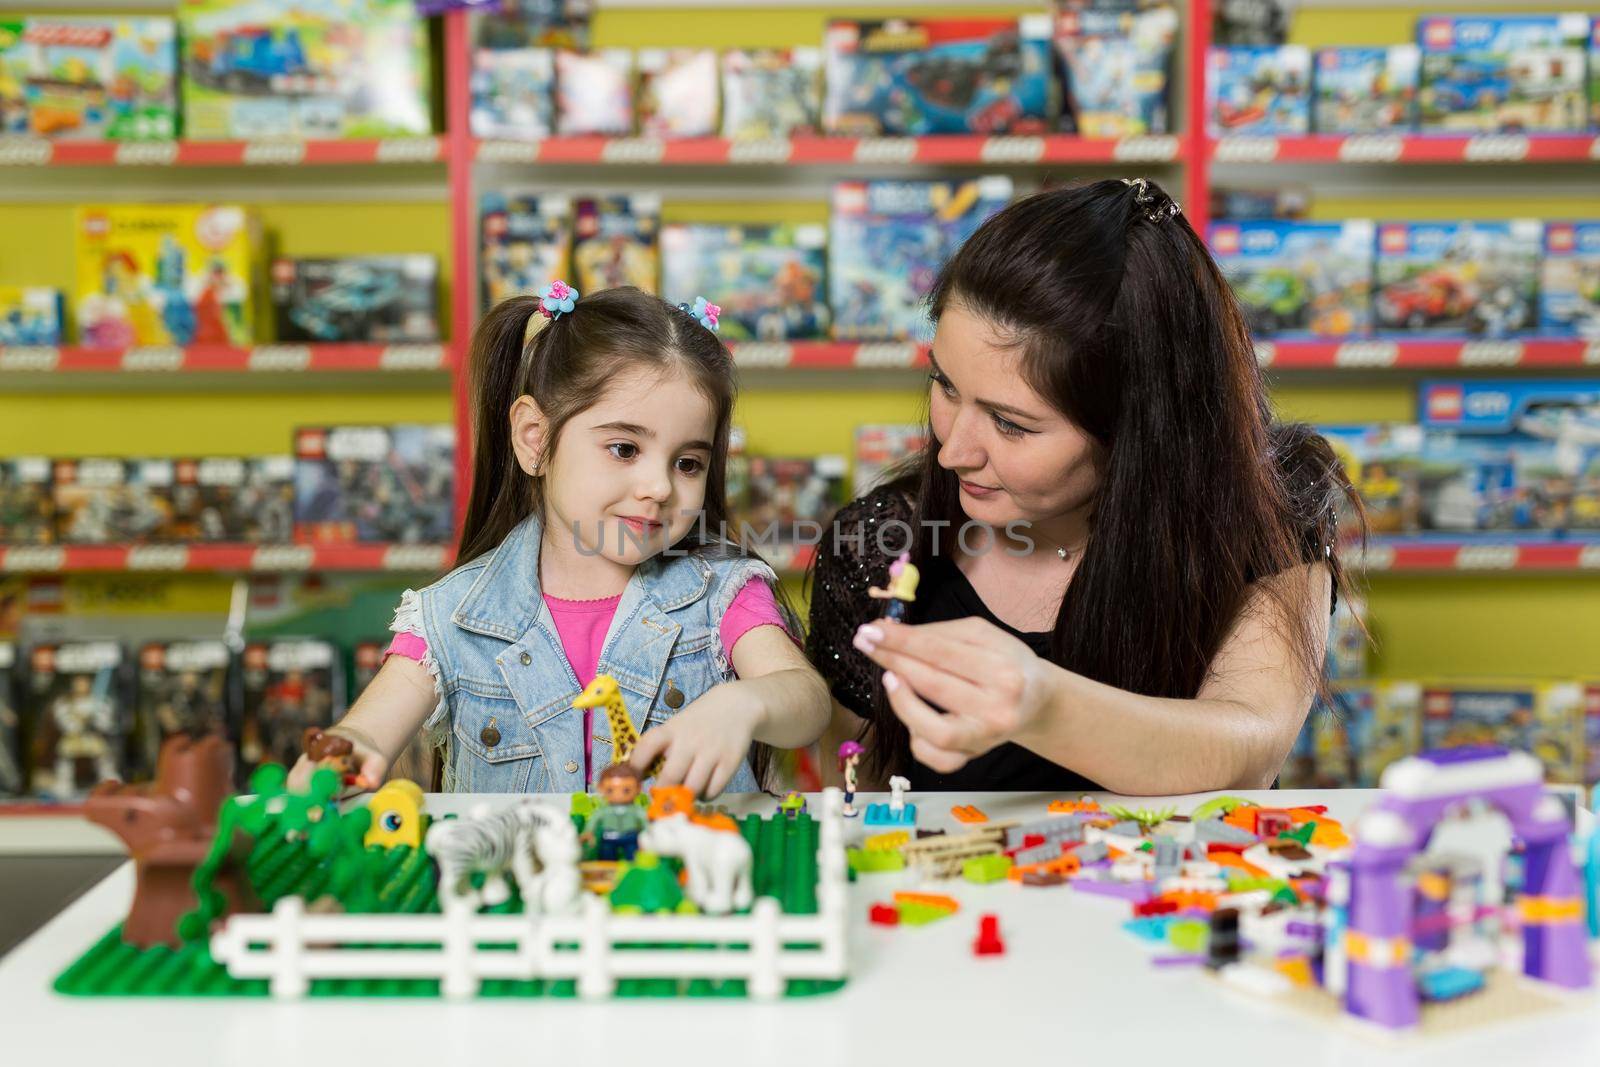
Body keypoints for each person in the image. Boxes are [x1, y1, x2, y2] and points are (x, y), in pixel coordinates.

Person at [807, 178, 1359, 796]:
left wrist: (1042, 706)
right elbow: (854, 790)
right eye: (945, 384)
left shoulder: (1273, 508)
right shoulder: (880, 543)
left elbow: (1247, 744)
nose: (953, 450)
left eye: (1011, 424)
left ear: (1138, 431)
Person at [292, 283, 830, 798]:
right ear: (535, 439)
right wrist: (343, 755)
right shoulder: (453, 615)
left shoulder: (721, 592)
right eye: (623, 449)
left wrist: (745, 703)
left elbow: (806, 700)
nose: (660, 487)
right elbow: (366, 732)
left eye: (687, 463)